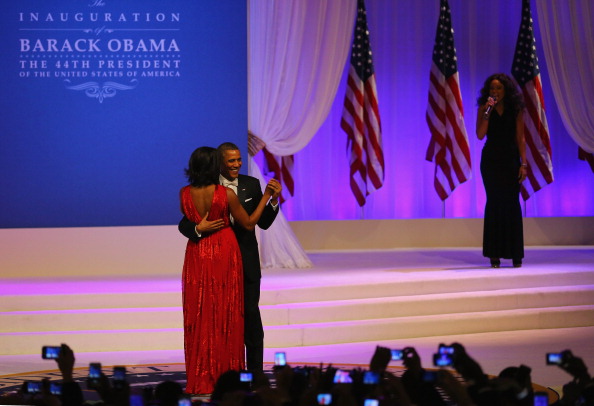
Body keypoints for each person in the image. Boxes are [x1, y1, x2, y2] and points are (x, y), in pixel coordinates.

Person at [179, 146, 280, 394]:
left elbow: (264, 223)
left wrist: (272, 199)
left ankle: (250, 374)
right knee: (220, 316)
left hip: (222, 259)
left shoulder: (249, 184)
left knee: (240, 316)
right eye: (230, 161)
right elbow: (186, 224)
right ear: (219, 164)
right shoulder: (219, 190)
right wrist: (199, 228)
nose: (236, 164)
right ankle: (225, 373)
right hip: (220, 258)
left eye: (238, 160)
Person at [476, 73, 527, 269]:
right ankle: (494, 254)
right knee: (494, 203)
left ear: (506, 90)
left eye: (498, 88)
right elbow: (480, 135)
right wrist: (487, 111)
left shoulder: (516, 110)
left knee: (512, 204)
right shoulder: (484, 108)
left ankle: (515, 254)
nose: (495, 91)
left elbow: (520, 138)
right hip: (490, 161)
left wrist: (524, 164)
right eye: (492, 89)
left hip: (510, 160)